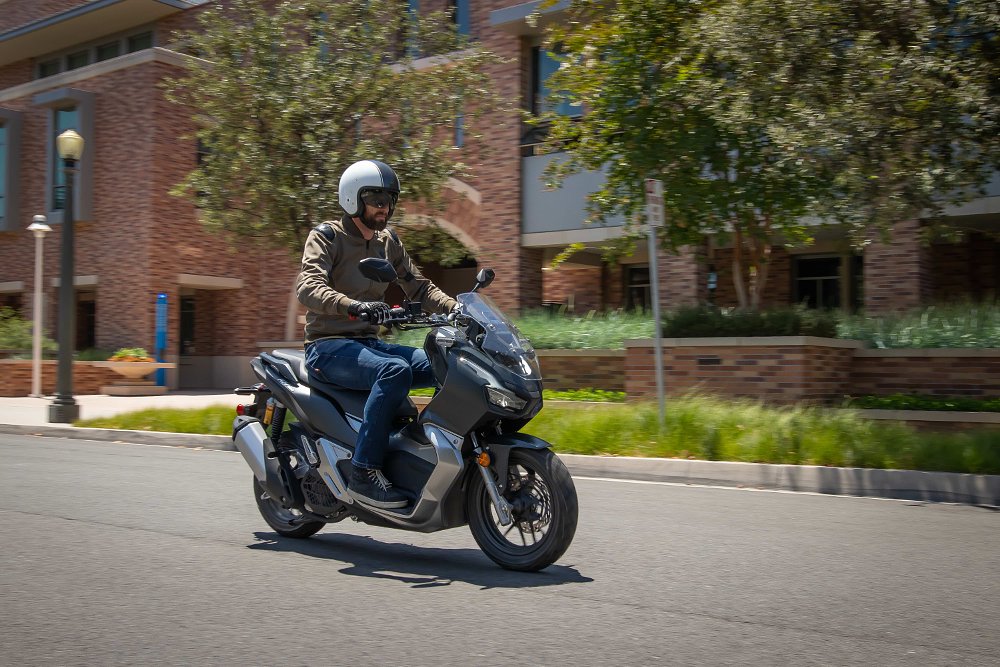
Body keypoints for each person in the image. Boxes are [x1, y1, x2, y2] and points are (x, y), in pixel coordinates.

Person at [296, 159, 457, 510]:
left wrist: (457, 310)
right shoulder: (327, 237)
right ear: (353, 199)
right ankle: (364, 472)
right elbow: (308, 287)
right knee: (394, 371)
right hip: (327, 347)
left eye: (390, 201)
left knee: (445, 361)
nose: (385, 208)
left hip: (367, 343)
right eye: (376, 200)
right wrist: (351, 305)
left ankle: (423, 447)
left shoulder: (388, 242)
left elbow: (419, 286)